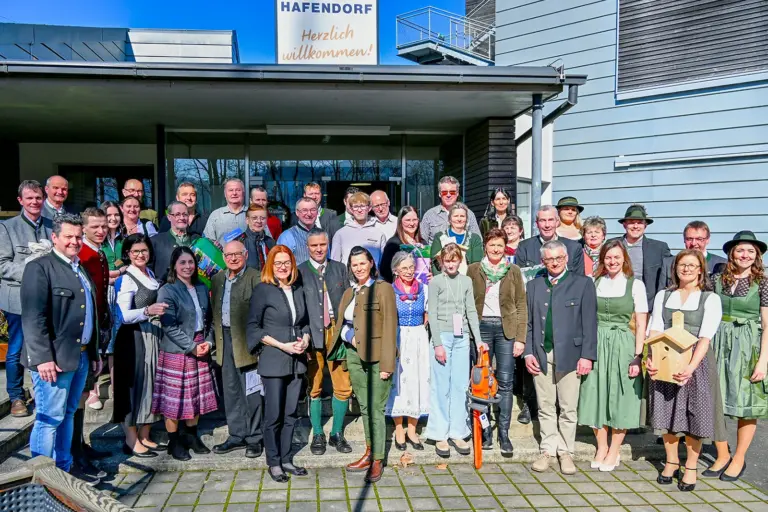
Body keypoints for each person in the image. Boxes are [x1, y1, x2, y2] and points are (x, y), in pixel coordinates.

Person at [20, 214, 100, 479]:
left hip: (80, 357)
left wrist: (94, 351)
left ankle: (64, 475)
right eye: (68, 236)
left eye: (78, 236)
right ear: (54, 237)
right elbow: (33, 317)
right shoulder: (40, 267)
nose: (74, 241)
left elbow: (90, 313)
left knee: (68, 415)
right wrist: (42, 358)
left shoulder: (80, 268)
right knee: (48, 419)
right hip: (53, 361)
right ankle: (42, 481)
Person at [647, 250, 722, 492]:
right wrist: (652, 358)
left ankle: (690, 466)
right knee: (666, 413)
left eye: (692, 265)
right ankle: (671, 461)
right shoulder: (664, 295)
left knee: (694, 416)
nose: (686, 269)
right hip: (666, 361)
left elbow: (705, 337)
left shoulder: (709, 298)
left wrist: (690, 367)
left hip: (696, 364)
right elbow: (655, 329)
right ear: (675, 268)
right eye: (682, 265)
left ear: (701, 270)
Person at [524, 240, 597, 475]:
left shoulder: (582, 284)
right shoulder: (534, 285)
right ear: (542, 261)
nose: (554, 263)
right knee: (545, 406)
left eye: (558, 258)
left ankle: (566, 452)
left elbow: (590, 323)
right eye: (549, 259)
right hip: (541, 353)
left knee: (568, 407)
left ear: (566, 258)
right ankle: (547, 450)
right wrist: (528, 352)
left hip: (571, 355)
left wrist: (587, 356)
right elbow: (529, 323)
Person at [577, 240, 647, 472]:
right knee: (594, 392)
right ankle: (602, 446)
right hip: (597, 342)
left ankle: (614, 450)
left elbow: (641, 323)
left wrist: (638, 356)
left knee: (621, 395)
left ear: (624, 258)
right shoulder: (593, 282)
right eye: (608, 257)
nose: (612, 261)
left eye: (617, 257)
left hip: (623, 343)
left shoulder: (635, 285)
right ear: (602, 259)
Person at [330, 247, 396, 482]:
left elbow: (390, 327)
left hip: (378, 358)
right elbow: (342, 325)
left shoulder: (383, 289)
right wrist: (349, 337)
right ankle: (369, 452)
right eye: (354, 264)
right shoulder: (349, 292)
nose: (358, 268)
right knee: (365, 407)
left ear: (371, 264)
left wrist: (387, 364)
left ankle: (378, 459)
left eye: (362, 263)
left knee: (376, 408)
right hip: (354, 357)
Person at [247, 245, 311, 483]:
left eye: (286, 262)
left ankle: (286, 459)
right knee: (273, 415)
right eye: (278, 263)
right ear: (270, 266)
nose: (283, 267)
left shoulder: (297, 289)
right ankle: (273, 462)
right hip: (274, 360)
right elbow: (254, 327)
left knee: (291, 413)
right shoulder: (263, 290)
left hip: (296, 361)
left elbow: (304, 322)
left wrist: (305, 339)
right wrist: (283, 346)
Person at [708, 231, 768, 482]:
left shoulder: (763, 283)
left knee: (746, 402)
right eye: (740, 250)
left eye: (751, 251)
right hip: (717, 342)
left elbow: (767, 324)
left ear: (757, 256)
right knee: (713, 399)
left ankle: (739, 457)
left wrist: (763, 361)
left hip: (748, 345)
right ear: (731, 254)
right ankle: (722, 454)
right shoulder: (716, 279)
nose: (745, 255)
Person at [152, 247, 217, 461]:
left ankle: (191, 436)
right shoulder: (167, 290)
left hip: (201, 346)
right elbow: (169, 326)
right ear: (174, 265)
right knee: (174, 399)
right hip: (178, 350)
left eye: (191, 262)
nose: (188, 266)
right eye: (182, 263)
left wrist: (208, 342)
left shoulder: (201, 287)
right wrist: (191, 346)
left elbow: (210, 319)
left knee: (196, 396)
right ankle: (174, 441)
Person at [467, 228, 527, 454]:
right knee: (481, 383)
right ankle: (485, 433)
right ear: (485, 246)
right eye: (492, 244)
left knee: (506, 382)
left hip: (505, 330)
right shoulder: (473, 270)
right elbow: (466, 301)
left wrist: (520, 338)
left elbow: (521, 305)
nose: (495, 249)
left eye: (500, 245)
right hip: (481, 328)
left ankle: (504, 433)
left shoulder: (513, 271)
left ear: (505, 248)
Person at [425, 243, 483, 458]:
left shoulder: (466, 281)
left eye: (454, 260)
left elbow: (471, 311)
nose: (450, 264)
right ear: (442, 262)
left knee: (459, 386)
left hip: (462, 337)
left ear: (460, 260)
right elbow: (432, 313)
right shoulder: (436, 282)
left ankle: (458, 431)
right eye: (447, 261)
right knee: (441, 386)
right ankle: (439, 433)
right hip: (442, 336)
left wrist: (478, 340)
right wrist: (437, 344)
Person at [297, 229, 352, 456]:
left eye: (322, 244)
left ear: (328, 244)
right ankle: (318, 433)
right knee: (315, 384)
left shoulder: (340, 268)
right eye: (314, 245)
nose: (319, 249)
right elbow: (298, 308)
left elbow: (350, 300)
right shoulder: (300, 271)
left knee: (343, 384)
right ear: (307, 247)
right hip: (313, 334)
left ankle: (337, 432)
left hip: (337, 333)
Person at [0, 180, 52, 417]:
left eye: (38, 198)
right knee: (17, 347)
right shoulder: (7, 227)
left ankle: (44, 392)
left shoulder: (52, 226)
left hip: (47, 298)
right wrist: (32, 271)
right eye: (29, 198)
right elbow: (2, 265)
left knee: (46, 345)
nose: (34, 202)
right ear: (20, 200)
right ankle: (16, 396)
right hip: (18, 298)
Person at [113, 234, 167, 458]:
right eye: (135, 251)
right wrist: (147, 311)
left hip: (153, 336)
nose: (140, 254)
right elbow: (123, 315)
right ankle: (131, 439)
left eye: (144, 250)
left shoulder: (150, 274)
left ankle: (145, 435)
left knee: (151, 385)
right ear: (127, 253)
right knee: (135, 387)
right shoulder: (127, 279)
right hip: (133, 337)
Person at [211, 241, 264, 458]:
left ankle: (255, 437)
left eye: (237, 254)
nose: (232, 258)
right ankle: (236, 435)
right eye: (228, 255)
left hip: (247, 342)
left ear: (245, 254)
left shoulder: (256, 278)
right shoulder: (217, 279)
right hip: (224, 341)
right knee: (231, 391)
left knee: (251, 392)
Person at [72, 208, 112, 482]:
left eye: (104, 226)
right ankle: (74, 451)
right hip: (80, 337)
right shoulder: (82, 255)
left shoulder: (100, 253)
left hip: (95, 332)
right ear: (84, 228)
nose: (100, 231)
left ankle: (81, 444)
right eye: (95, 227)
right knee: (77, 397)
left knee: (85, 393)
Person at [388, 251, 431, 451]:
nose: (408, 271)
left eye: (411, 267)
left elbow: (428, 312)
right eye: (404, 268)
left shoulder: (424, 289)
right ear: (395, 270)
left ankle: (412, 430)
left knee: (417, 381)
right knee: (399, 382)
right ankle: (399, 429)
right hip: (398, 337)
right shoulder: (390, 291)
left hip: (418, 338)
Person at [612, 204, 671, 311]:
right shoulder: (612, 244)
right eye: (631, 222)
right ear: (624, 225)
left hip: (647, 306)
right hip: (616, 303)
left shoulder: (659, 248)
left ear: (645, 225)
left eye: (639, 222)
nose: (635, 226)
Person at [99, 200, 124, 401]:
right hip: (102, 292)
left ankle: (117, 388)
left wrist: (118, 272)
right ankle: (93, 391)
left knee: (116, 342)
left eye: (116, 215)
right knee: (100, 340)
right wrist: (114, 273)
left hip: (121, 292)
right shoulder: (98, 240)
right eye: (109, 215)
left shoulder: (124, 239)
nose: (113, 218)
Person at [515, 205, 584, 273]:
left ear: (557, 222)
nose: (547, 225)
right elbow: (519, 277)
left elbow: (579, 278)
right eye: (542, 220)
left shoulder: (574, 248)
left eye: (551, 220)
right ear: (537, 224)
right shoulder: (524, 247)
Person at [660, 220, 727, 287]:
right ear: (684, 239)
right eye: (689, 239)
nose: (693, 243)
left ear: (707, 240)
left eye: (699, 239)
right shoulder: (669, 263)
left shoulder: (721, 264)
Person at [330, 192, 387, 266]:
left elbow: (384, 263)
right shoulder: (340, 234)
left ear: (369, 208)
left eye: (363, 206)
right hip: (347, 273)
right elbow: (335, 264)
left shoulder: (378, 234)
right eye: (356, 207)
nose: (359, 210)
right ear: (351, 209)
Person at [150, 201, 200, 283]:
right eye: (177, 214)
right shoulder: (156, 241)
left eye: (185, 214)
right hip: (166, 287)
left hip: (192, 286)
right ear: (169, 217)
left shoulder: (197, 239)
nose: (182, 218)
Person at [421, 176, 481, 244]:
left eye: (452, 192)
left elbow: (478, 242)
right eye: (444, 192)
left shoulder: (469, 214)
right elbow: (422, 243)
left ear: (457, 193)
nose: (448, 195)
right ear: (440, 194)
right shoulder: (429, 215)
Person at [430, 202, 483, 275]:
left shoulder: (475, 238)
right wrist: (441, 279)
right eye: (455, 216)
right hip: (444, 278)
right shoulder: (439, 237)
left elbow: (476, 265)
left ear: (466, 219)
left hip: (467, 279)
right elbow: (435, 263)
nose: (459, 219)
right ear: (449, 219)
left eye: (462, 216)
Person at [380, 206, 428, 284]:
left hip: (421, 287)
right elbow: (384, 270)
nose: (412, 223)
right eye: (407, 220)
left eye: (414, 220)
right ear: (400, 222)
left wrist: (430, 275)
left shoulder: (423, 243)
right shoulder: (394, 244)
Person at [277, 197, 321, 266]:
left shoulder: (322, 235)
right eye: (304, 210)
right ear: (297, 212)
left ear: (317, 212)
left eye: (313, 210)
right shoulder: (287, 237)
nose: (309, 214)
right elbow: (281, 265)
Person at [204, 178, 247, 245]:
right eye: (230, 190)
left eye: (238, 190)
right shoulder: (215, 215)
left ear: (243, 193)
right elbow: (207, 243)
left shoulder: (253, 214)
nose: (234, 193)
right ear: (225, 194)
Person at [243, 204, 276, 272]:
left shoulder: (271, 242)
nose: (259, 221)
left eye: (263, 218)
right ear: (247, 220)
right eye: (254, 218)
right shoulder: (240, 242)